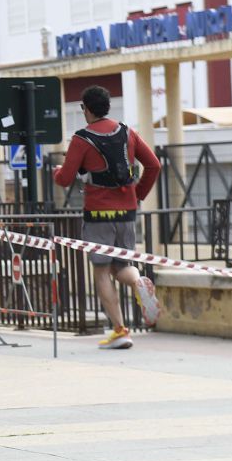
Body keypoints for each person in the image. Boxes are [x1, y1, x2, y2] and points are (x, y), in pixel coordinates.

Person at [52, 85, 162, 349]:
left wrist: (56, 171)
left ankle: (120, 330)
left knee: (101, 271)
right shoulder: (127, 132)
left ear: (85, 109)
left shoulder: (81, 138)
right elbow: (154, 165)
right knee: (121, 266)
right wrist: (138, 195)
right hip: (127, 211)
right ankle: (138, 282)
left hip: (98, 212)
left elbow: (65, 179)